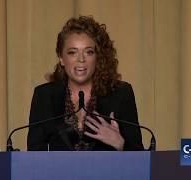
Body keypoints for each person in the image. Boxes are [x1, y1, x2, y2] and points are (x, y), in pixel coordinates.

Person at [27, 15, 144, 151]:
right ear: (61, 58)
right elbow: (33, 154)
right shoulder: (44, 96)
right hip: (58, 172)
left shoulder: (121, 93)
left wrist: (120, 144)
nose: (81, 59)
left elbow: (139, 156)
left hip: (107, 172)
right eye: (72, 52)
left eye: (89, 52)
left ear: (97, 57)